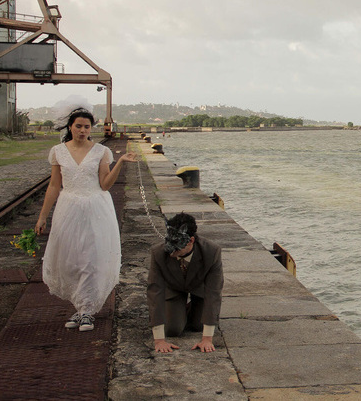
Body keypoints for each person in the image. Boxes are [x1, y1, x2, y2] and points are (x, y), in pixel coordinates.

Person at [35, 107, 137, 332]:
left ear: (92, 129)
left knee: (92, 258)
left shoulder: (100, 152)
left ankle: (87, 311)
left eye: (87, 127)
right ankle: (80, 307)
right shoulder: (58, 152)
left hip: (95, 208)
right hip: (68, 208)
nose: (82, 130)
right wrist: (43, 217)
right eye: (78, 126)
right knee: (72, 259)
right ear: (70, 127)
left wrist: (119, 162)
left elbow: (105, 185)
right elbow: (53, 186)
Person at [147, 212, 223, 353]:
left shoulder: (212, 252)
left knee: (198, 326)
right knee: (172, 329)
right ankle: (178, 307)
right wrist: (159, 340)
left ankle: (189, 307)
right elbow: (155, 290)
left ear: (191, 241)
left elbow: (214, 292)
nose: (171, 252)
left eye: (177, 247)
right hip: (173, 287)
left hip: (199, 287)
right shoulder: (158, 253)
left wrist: (207, 339)